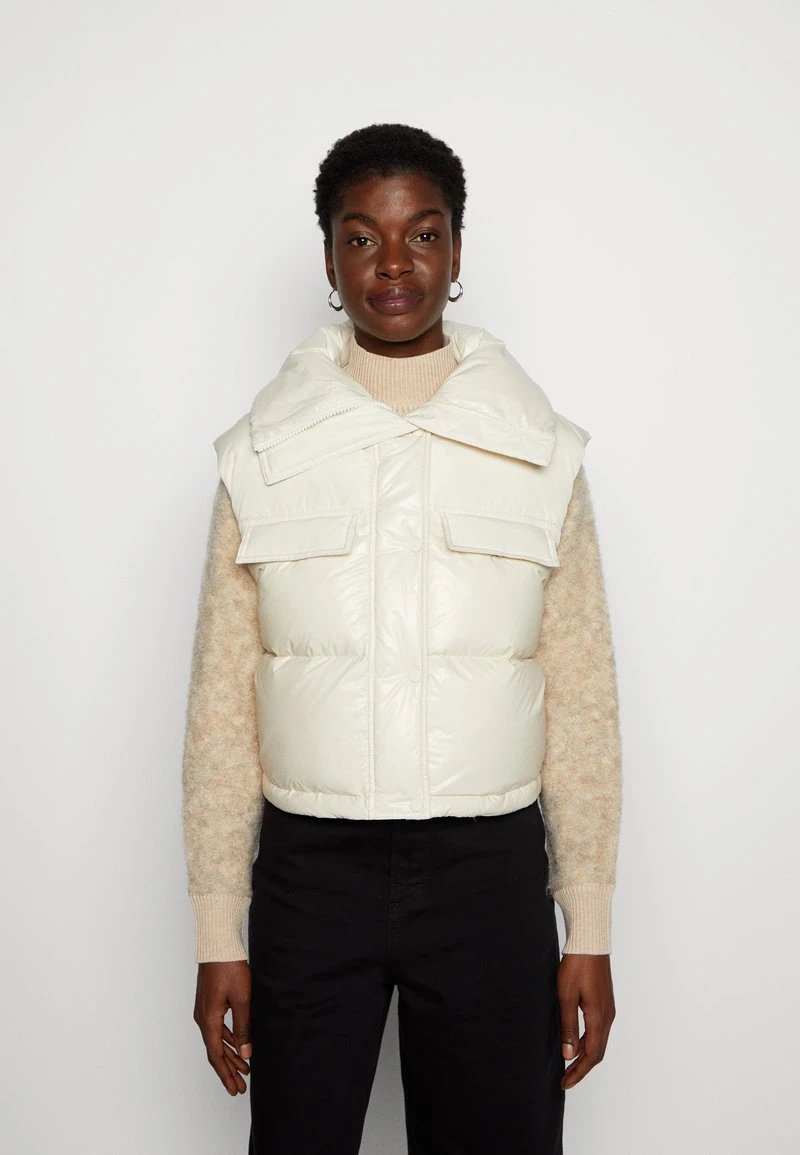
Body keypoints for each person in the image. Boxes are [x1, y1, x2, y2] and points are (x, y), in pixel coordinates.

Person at [182, 123, 623, 1155]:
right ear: (329, 260)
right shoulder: (260, 454)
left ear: (457, 252)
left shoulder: (539, 451)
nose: (392, 264)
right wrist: (216, 933)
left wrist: (589, 926)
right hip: (310, 876)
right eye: (361, 238)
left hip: (488, 877)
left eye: (422, 235)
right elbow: (220, 705)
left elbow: (582, 696)